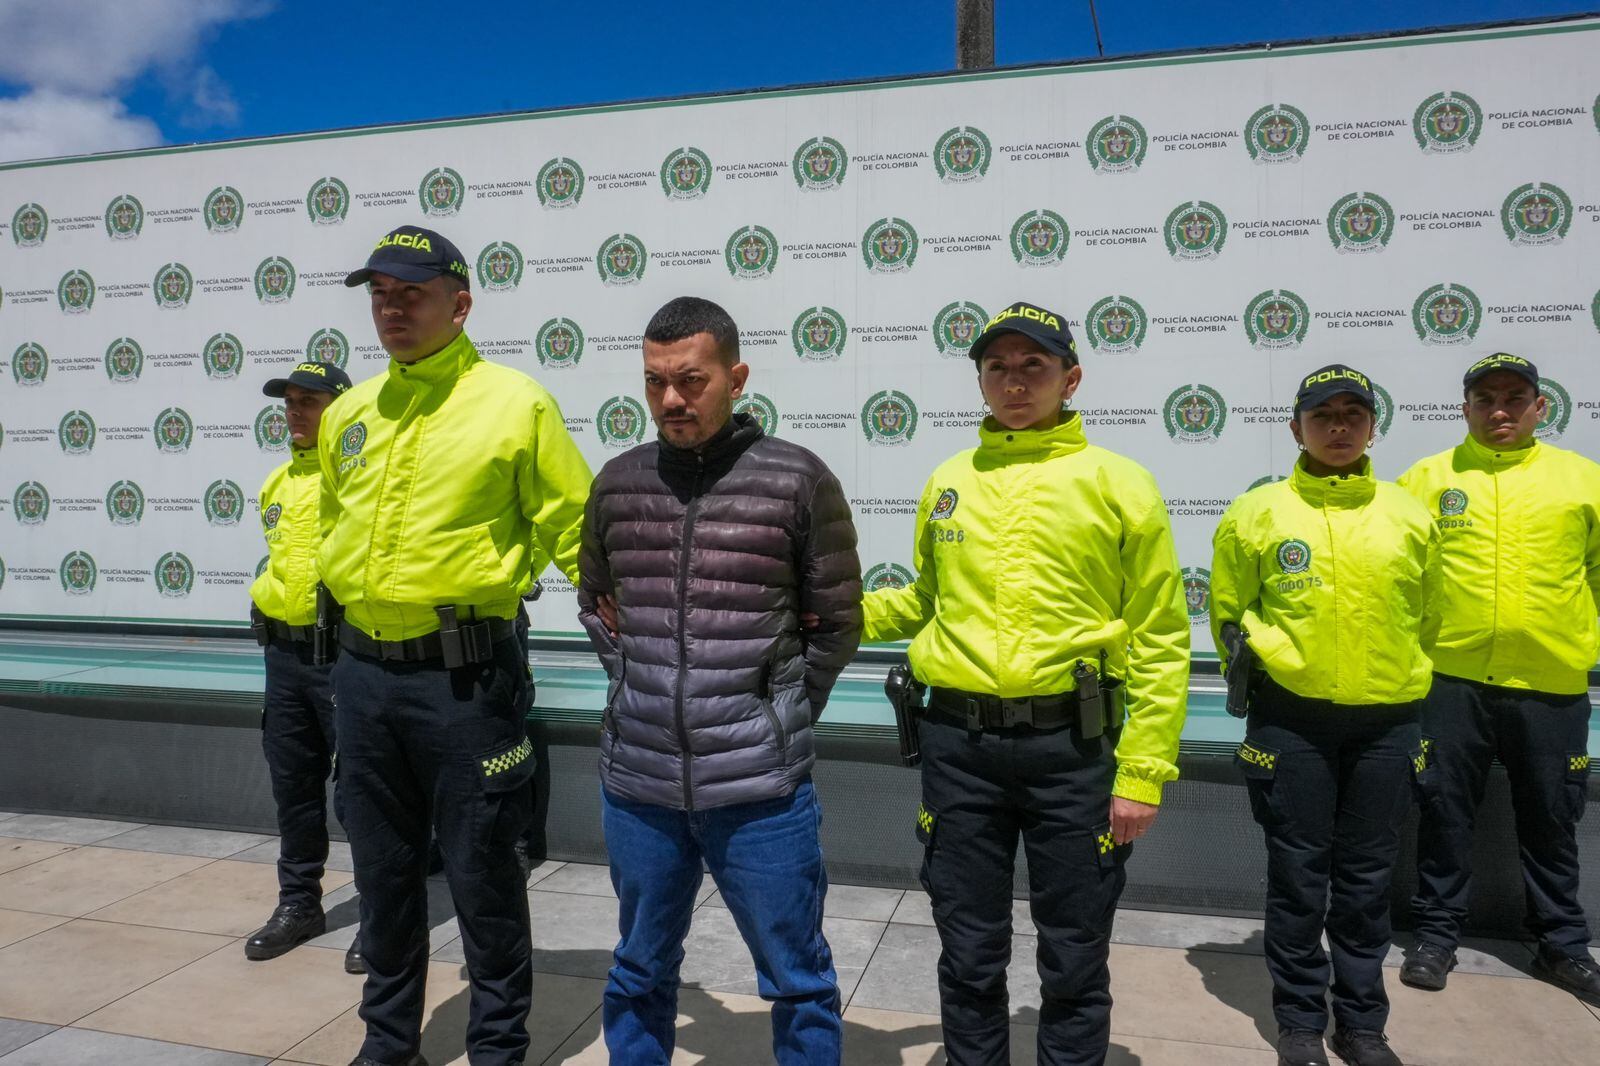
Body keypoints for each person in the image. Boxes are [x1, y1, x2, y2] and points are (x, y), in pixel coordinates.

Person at [863, 302, 1189, 1066]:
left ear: (1070, 377)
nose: (1014, 381)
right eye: (997, 367)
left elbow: (1161, 637)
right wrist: (827, 605)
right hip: (959, 748)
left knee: (1074, 951)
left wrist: (1141, 770)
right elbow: (923, 599)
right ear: (980, 379)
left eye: (1033, 366)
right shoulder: (950, 479)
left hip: (1073, 753)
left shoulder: (1119, 482)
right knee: (967, 947)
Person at [320, 225, 592, 1066]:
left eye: (412, 293)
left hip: (467, 685)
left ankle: (498, 1047)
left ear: (460, 304)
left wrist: (640, 634)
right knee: (383, 872)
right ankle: (388, 1042)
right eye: (380, 294)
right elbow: (333, 529)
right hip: (364, 677)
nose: (392, 308)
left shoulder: (517, 403)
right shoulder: (350, 412)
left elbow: (577, 529)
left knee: (482, 875)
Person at [577, 295, 862, 1066]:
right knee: (637, 971)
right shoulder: (617, 483)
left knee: (798, 980)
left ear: (736, 377)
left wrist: (777, 715)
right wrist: (635, 683)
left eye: (692, 380)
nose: (672, 399)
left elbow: (837, 622)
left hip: (761, 793)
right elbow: (598, 606)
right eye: (655, 382)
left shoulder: (798, 480)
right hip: (640, 786)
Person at [1210, 365, 1440, 1066]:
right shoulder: (1257, 513)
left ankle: (1363, 1024)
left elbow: (1429, 618)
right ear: (1296, 428)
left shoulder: (1410, 514)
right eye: (1323, 415)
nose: (1338, 427)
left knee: (1368, 882)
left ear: (1374, 426)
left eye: (1353, 415)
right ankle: (1303, 1024)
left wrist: (1395, 674)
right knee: (1299, 877)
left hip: (1388, 722)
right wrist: (1283, 658)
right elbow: (1230, 615)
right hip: (1292, 724)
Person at [1396, 352, 1600, 1006]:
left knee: (1551, 818)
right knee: (1444, 815)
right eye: (1485, 399)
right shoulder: (1425, 480)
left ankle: (1562, 945)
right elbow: (1398, 576)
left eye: (1516, 397)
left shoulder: (1583, 481)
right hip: (1450, 682)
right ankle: (1435, 936)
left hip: (1551, 682)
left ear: (1544, 406)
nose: (1500, 410)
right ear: (1466, 408)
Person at [245, 359, 366, 974]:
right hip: (283, 657)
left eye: (309, 401)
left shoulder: (357, 482)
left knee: (361, 795)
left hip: (343, 657)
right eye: (289, 402)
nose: (295, 412)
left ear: (339, 410)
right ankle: (300, 904)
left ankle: (379, 915)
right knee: (293, 787)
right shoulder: (275, 483)